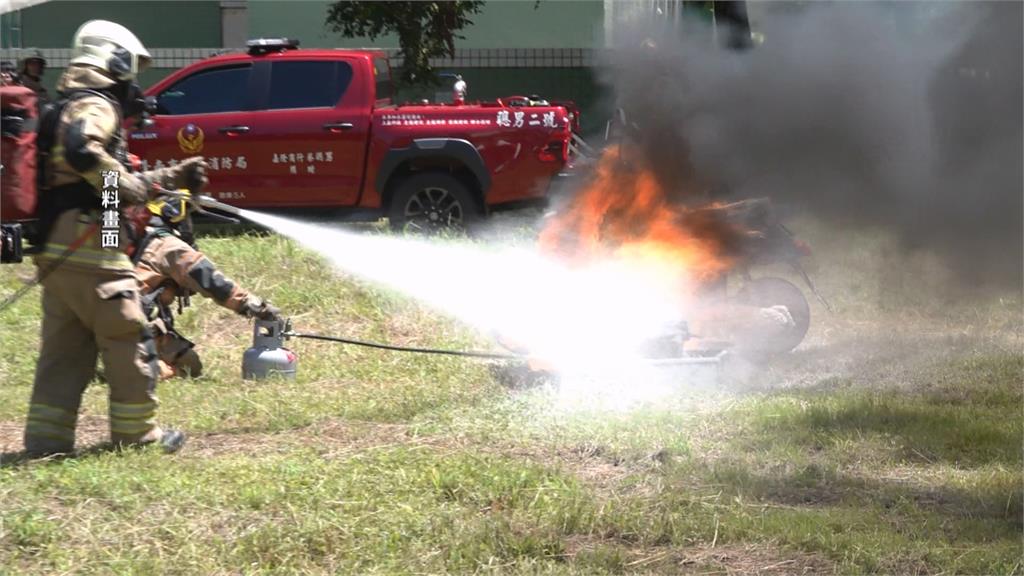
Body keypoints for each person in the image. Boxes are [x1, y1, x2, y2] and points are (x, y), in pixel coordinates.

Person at [25, 20, 208, 456]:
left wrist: (172, 179)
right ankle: (138, 435)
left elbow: (104, 185)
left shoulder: (64, 103)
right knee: (126, 334)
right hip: (88, 242)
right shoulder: (96, 105)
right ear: (116, 60)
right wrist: (128, 189)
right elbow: (83, 152)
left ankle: (46, 441)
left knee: (64, 351)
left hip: (64, 241)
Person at [131, 191, 282, 379]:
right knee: (154, 371)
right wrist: (253, 306)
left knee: (190, 363)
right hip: (130, 322)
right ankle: (141, 369)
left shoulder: (127, 237)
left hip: (99, 317)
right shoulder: (168, 245)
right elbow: (210, 280)